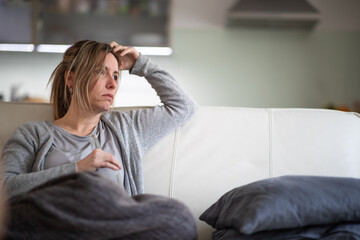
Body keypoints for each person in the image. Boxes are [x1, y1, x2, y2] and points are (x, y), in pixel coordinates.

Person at [0, 40, 198, 239]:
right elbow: (5, 190)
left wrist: (140, 63)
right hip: (56, 225)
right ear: (71, 78)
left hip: (112, 226)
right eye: (101, 72)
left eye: (115, 75)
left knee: (180, 218)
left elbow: (184, 107)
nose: (112, 84)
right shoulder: (32, 133)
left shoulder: (127, 127)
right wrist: (76, 169)